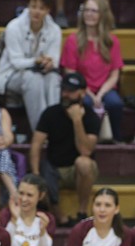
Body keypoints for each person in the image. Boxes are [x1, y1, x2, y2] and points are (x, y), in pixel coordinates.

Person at [30, 72, 100, 226]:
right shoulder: (51, 113)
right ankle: (57, 214)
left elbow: (86, 151)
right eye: (63, 90)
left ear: (82, 92)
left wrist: (77, 121)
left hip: (78, 172)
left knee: (84, 162)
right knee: (42, 171)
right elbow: (36, 144)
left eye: (71, 91)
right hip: (55, 168)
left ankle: (82, 212)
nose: (65, 94)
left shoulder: (91, 116)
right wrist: (35, 173)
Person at [0, 0, 62, 132]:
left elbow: (54, 59)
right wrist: (36, 61)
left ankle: (55, 129)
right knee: (33, 79)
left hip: (41, 73)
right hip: (11, 75)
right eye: (33, 6)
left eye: (41, 8)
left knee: (54, 79)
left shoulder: (55, 30)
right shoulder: (13, 27)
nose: (36, 11)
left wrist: (49, 63)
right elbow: (16, 62)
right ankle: (41, 131)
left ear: (48, 10)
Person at [60, 0, 124, 143]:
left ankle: (116, 139)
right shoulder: (73, 40)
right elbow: (70, 72)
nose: (89, 14)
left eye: (94, 11)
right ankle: (85, 140)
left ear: (102, 15)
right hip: (80, 88)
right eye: (86, 10)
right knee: (86, 103)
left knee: (115, 104)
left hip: (105, 88)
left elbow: (115, 74)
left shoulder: (112, 41)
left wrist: (100, 94)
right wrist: (89, 93)